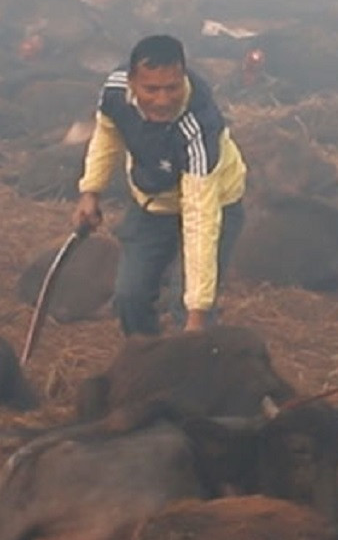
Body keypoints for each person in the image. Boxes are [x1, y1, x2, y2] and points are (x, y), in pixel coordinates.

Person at [73, 34, 247, 336]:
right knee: (130, 297)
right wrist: (91, 191)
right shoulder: (115, 92)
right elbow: (107, 134)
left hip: (213, 203)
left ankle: (194, 368)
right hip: (152, 200)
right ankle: (144, 357)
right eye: (151, 89)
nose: (163, 100)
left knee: (188, 304)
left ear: (183, 77)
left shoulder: (198, 126)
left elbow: (200, 218)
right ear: (131, 82)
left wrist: (197, 313)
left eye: (172, 88)